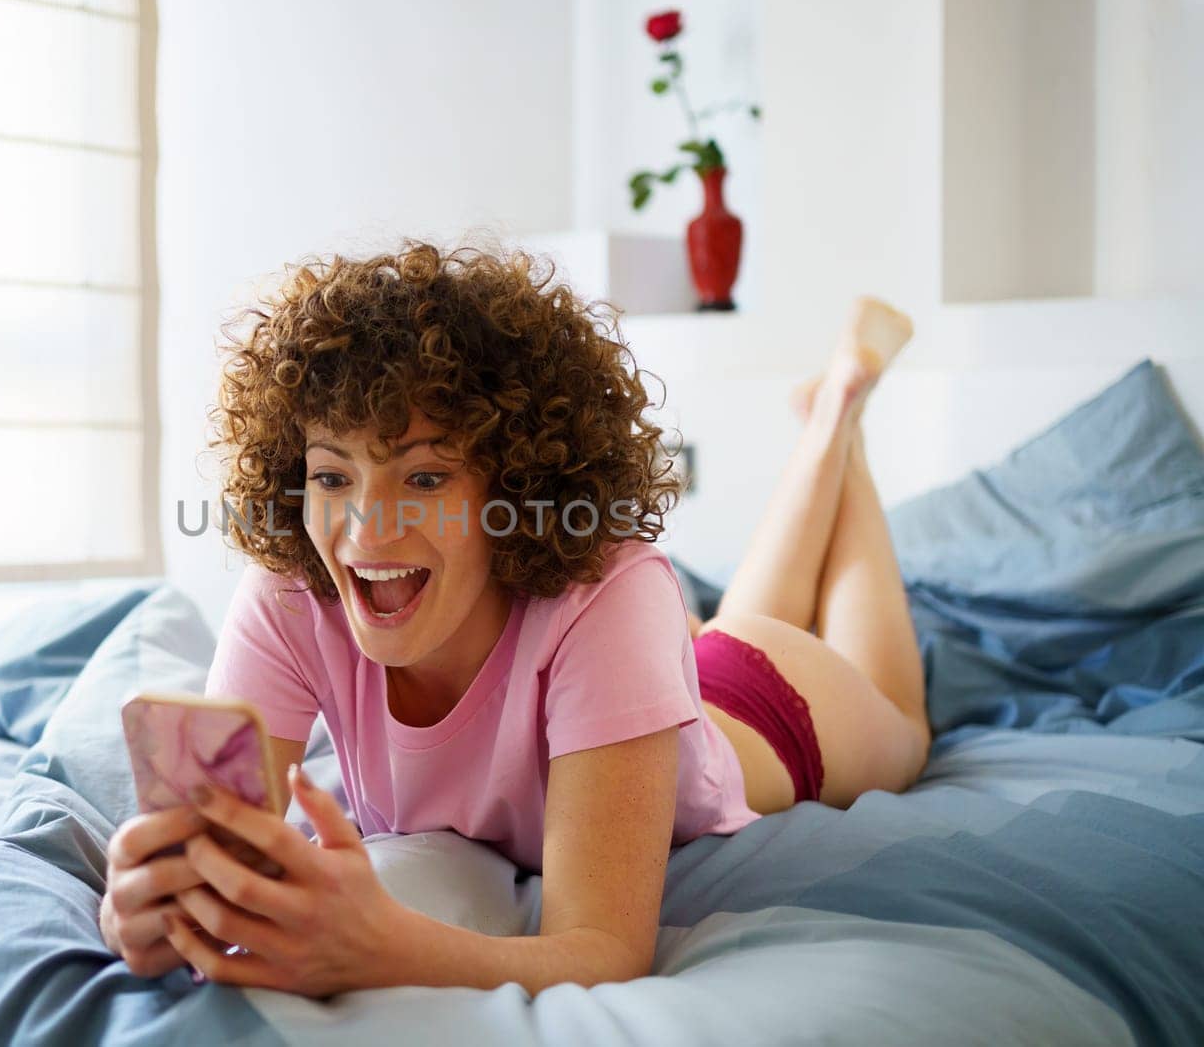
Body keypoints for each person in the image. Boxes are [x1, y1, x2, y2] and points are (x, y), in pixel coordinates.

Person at [99, 242, 931, 999]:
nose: (364, 531)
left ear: (513, 493)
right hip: (646, 686)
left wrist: (384, 946)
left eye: (423, 478)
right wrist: (142, 908)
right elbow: (202, 859)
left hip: (770, 706)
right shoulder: (289, 593)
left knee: (907, 721)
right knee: (731, 621)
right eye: (331, 475)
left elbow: (601, 948)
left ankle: (841, 414)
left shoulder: (613, 591)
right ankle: (831, 414)